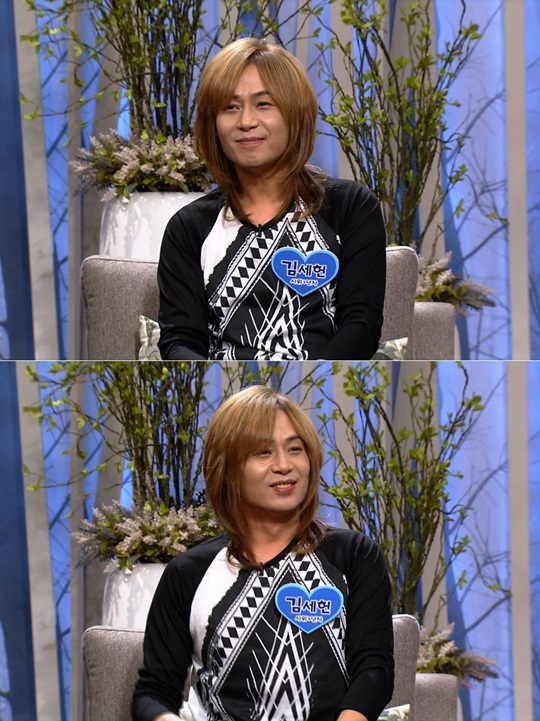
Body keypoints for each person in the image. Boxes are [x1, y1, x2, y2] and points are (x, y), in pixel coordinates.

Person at [132, 385, 394, 721]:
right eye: (263, 452)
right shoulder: (189, 572)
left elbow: (374, 669)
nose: (284, 465)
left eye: (295, 449)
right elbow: (153, 693)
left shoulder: (354, 555)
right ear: (228, 469)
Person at [157, 38, 386, 361]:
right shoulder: (189, 226)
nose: (246, 121)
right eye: (230, 107)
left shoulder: (351, 207)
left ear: (295, 114)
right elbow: (180, 341)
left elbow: (361, 328)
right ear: (213, 124)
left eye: (263, 104)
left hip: (319, 375)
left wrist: (304, 377)